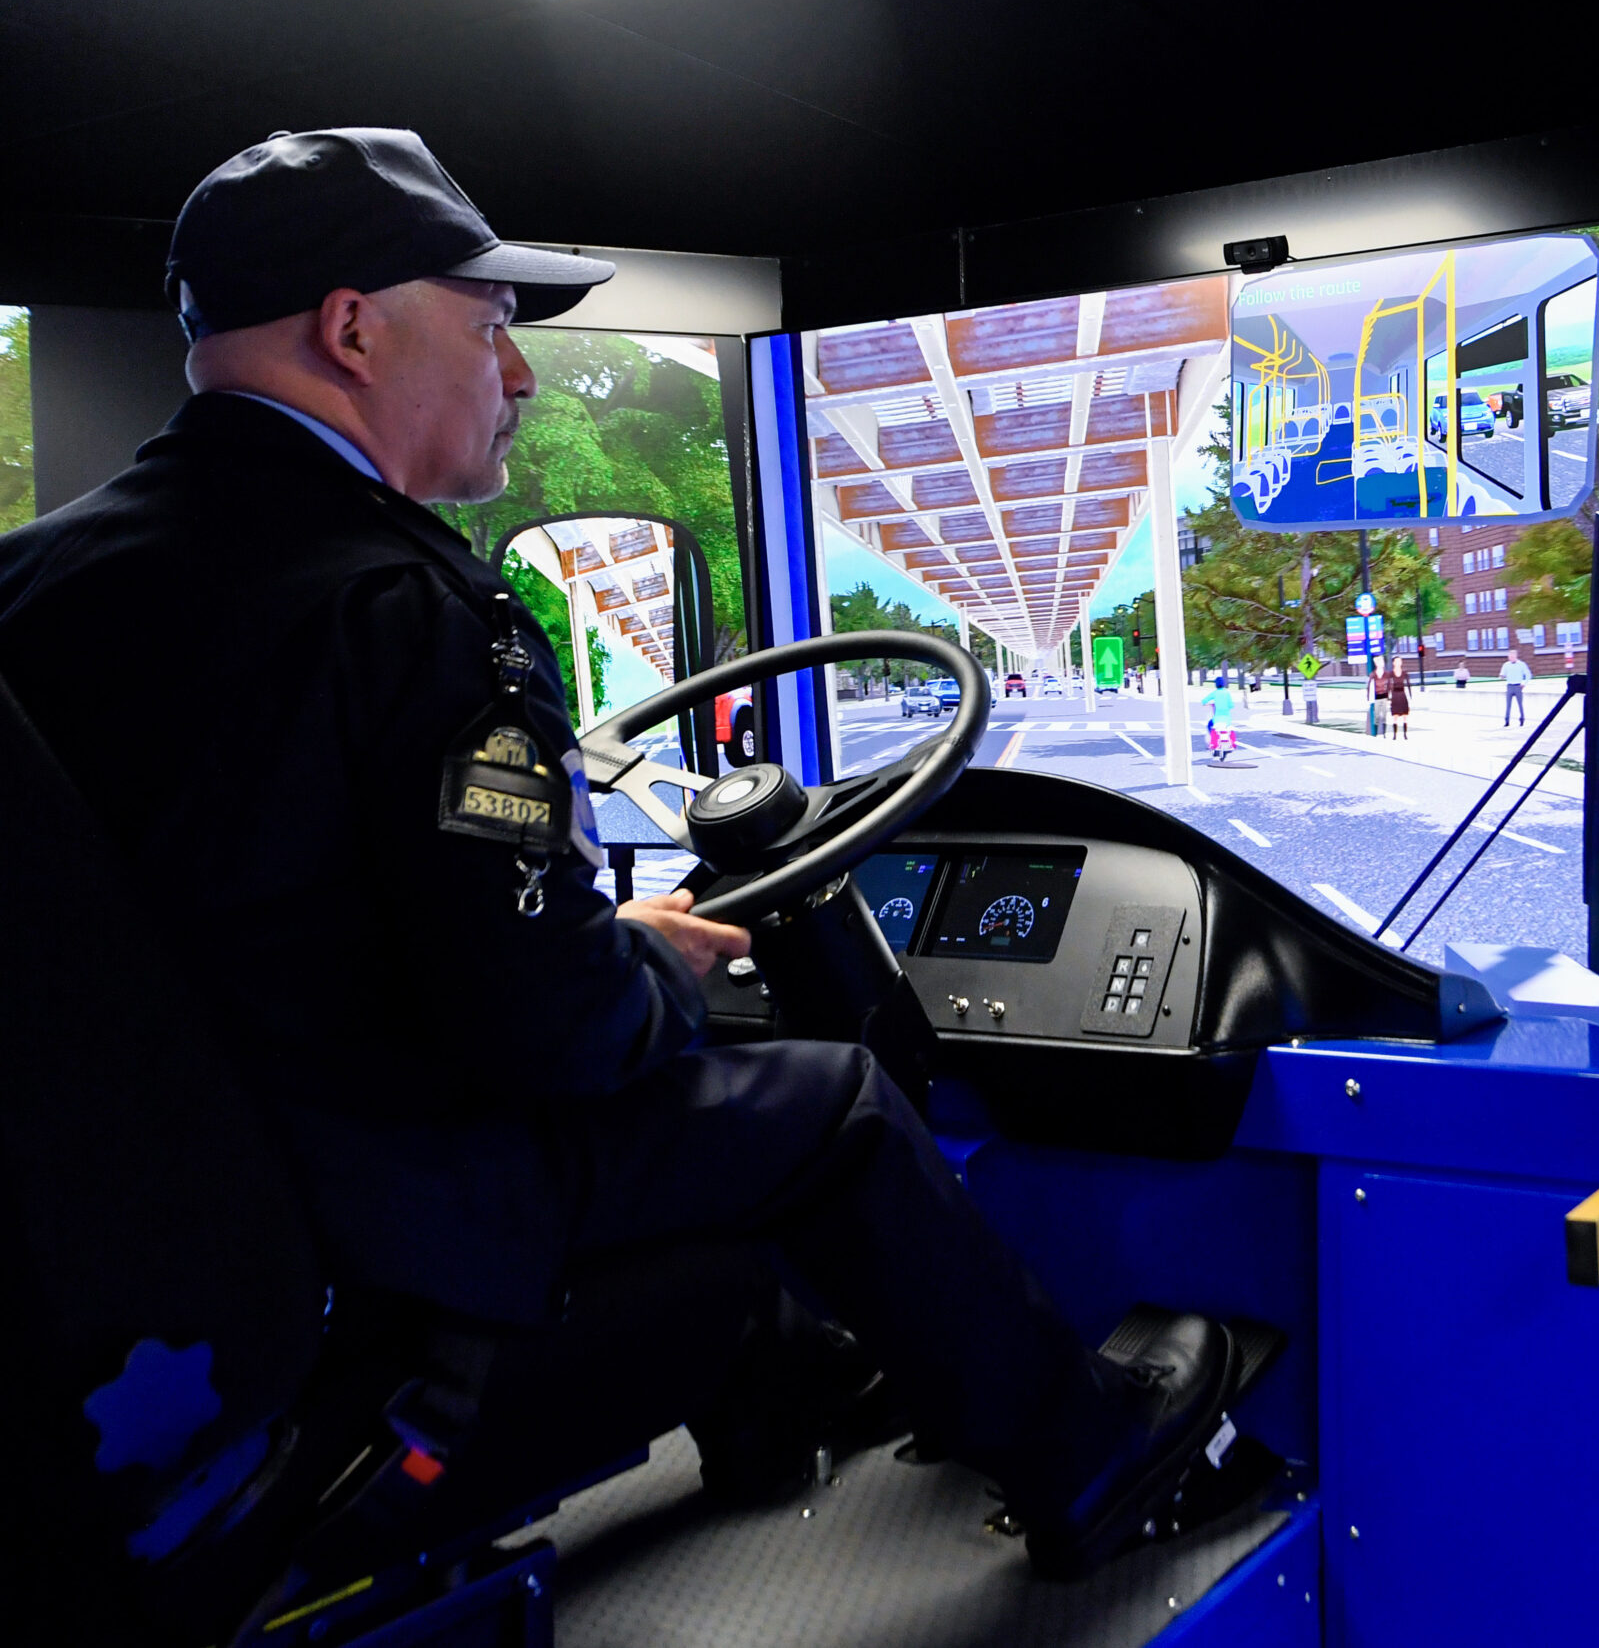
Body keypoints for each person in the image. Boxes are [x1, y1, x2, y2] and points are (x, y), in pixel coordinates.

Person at [0, 129, 1231, 1580]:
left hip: (155, 1247)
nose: (517, 373)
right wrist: (640, 962)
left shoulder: (38, 581)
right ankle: (1087, 1459)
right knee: (821, 1099)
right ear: (350, 330)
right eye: (492, 323)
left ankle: (779, 1401)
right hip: (379, 1216)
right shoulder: (407, 612)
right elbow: (552, 1031)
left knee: (697, 1118)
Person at [1203, 672, 1236, 762]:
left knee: (1211, 727)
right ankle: (1232, 745)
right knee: (1230, 729)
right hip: (1227, 718)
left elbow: (1204, 701)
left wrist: (1210, 703)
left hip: (1217, 718)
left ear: (1216, 685)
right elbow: (1231, 705)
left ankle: (1213, 745)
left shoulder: (1215, 693)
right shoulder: (1227, 693)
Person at [1501, 645, 1532, 725]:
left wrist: (1524, 683)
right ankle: (1507, 720)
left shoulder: (1521, 664)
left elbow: (1528, 674)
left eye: (1511, 656)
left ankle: (1522, 719)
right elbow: (1503, 674)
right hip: (1509, 686)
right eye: (1509, 656)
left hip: (1518, 686)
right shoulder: (1506, 665)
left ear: (1515, 656)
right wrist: (1502, 676)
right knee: (1508, 705)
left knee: (1520, 704)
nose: (1510, 657)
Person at [1387, 658, 1412, 740]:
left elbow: (1408, 685)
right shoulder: (1391, 674)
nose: (1398, 663)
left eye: (1400, 661)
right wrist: (1388, 696)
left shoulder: (1405, 673)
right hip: (1395, 695)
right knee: (1395, 716)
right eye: (1397, 661)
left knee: (1405, 715)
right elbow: (1388, 685)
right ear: (1393, 663)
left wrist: (1410, 696)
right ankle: (1395, 735)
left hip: (1402, 695)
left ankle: (1405, 734)